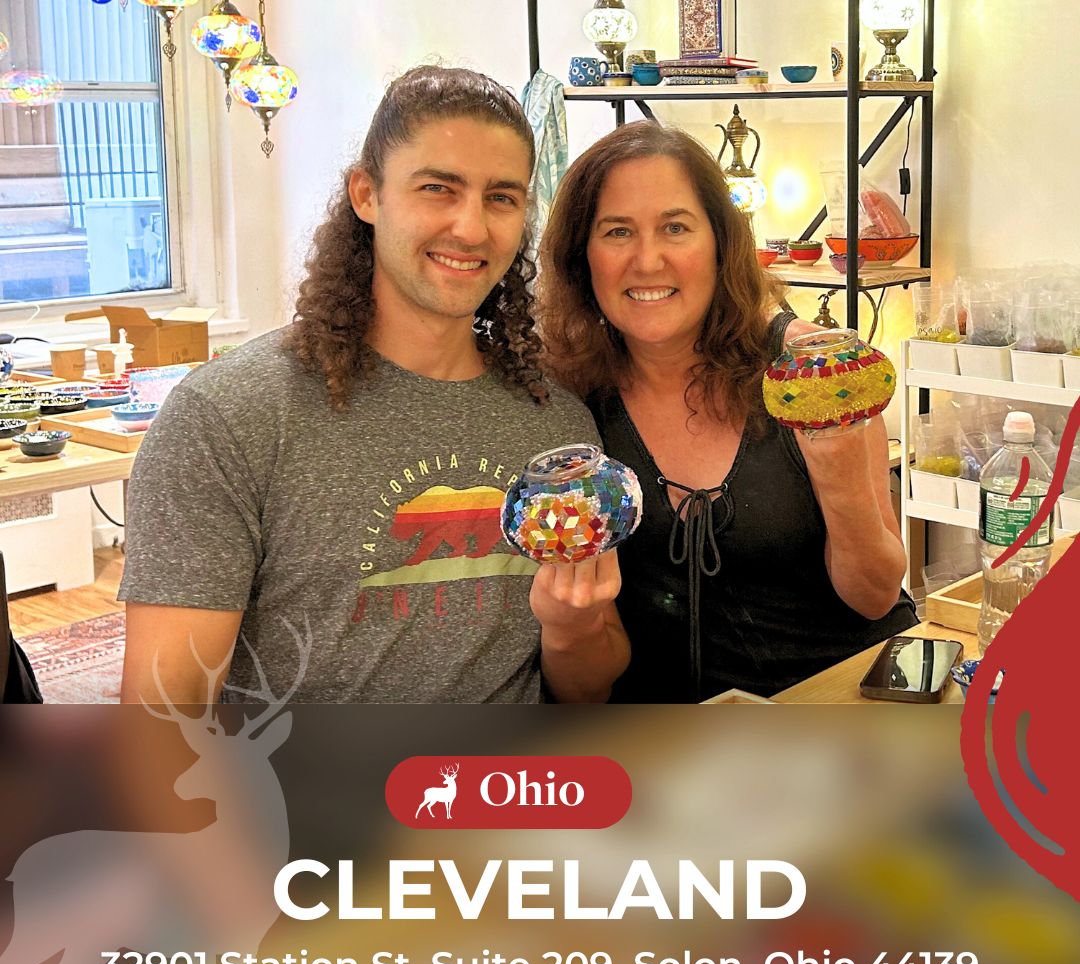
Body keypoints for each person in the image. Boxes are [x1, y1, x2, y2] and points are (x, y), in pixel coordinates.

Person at [119, 66, 628, 705]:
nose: (471, 228)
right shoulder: (226, 417)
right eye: (438, 188)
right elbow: (164, 712)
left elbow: (585, 694)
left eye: (501, 197)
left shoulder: (558, 431)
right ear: (366, 194)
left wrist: (572, 627)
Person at [539, 121, 916, 703]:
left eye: (675, 227)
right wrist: (566, 625)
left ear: (720, 243)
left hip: (836, 706)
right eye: (617, 231)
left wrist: (841, 476)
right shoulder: (569, 404)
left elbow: (875, 597)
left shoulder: (811, 375)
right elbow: (581, 680)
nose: (648, 260)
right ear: (580, 254)